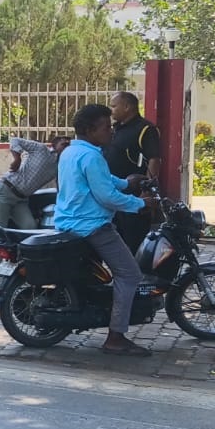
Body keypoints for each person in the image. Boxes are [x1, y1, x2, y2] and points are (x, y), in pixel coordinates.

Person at [60, 103, 160, 357]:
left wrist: (127, 182)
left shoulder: (72, 152)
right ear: (90, 129)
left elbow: (104, 182)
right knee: (129, 275)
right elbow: (106, 196)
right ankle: (116, 337)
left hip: (70, 221)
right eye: (106, 127)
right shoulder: (92, 156)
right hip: (93, 226)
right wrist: (140, 204)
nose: (111, 132)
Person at [0, 135, 69, 264]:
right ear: (54, 144)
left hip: (21, 199)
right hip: (5, 191)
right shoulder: (41, 149)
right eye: (63, 144)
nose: (66, 147)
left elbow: (61, 184)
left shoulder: (59, 166)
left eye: (68, 145)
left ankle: (22, 261)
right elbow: (15, 140)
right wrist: (17, 159)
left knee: (29, 227)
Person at [105, 91, 162, 255]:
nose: (111, 110)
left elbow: (154, 159)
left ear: (127, 106)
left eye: (114, 106)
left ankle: (137, 277)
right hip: (113, 193)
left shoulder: (145, 129)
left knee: (133, 242)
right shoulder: (115, 129)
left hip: (134, 195)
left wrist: (146, 190)